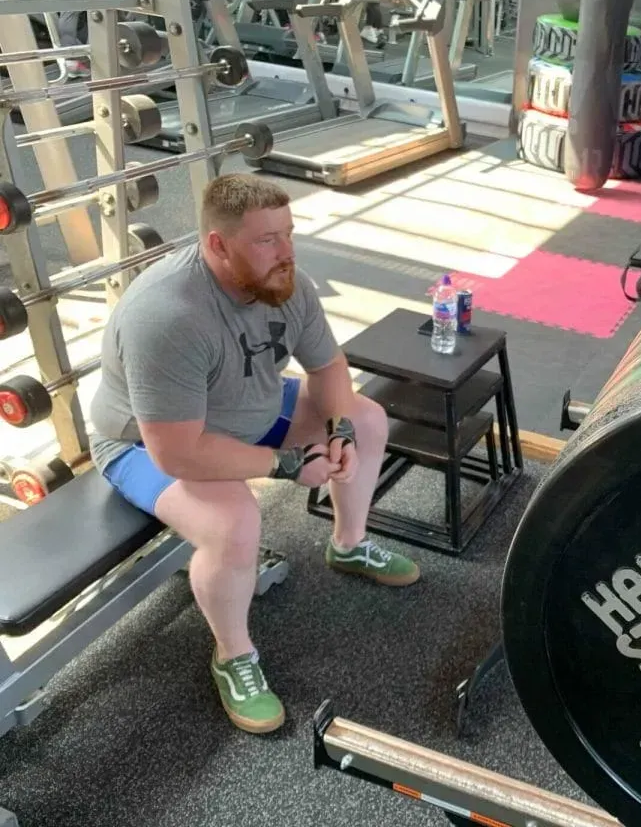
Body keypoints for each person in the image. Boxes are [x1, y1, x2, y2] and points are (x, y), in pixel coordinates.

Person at [88, 173, 421, 735]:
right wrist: (289, 465)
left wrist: (337, 430)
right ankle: (234, 655)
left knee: (366, 418)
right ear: (218, 245)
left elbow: (328, 368)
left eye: (288, 234)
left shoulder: (287, 283)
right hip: (145, 443)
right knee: (235, 520)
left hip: (247, 408)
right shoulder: (167, 315)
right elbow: (179, 453)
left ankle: (349, 544)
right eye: (267, 240)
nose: (286, 252)